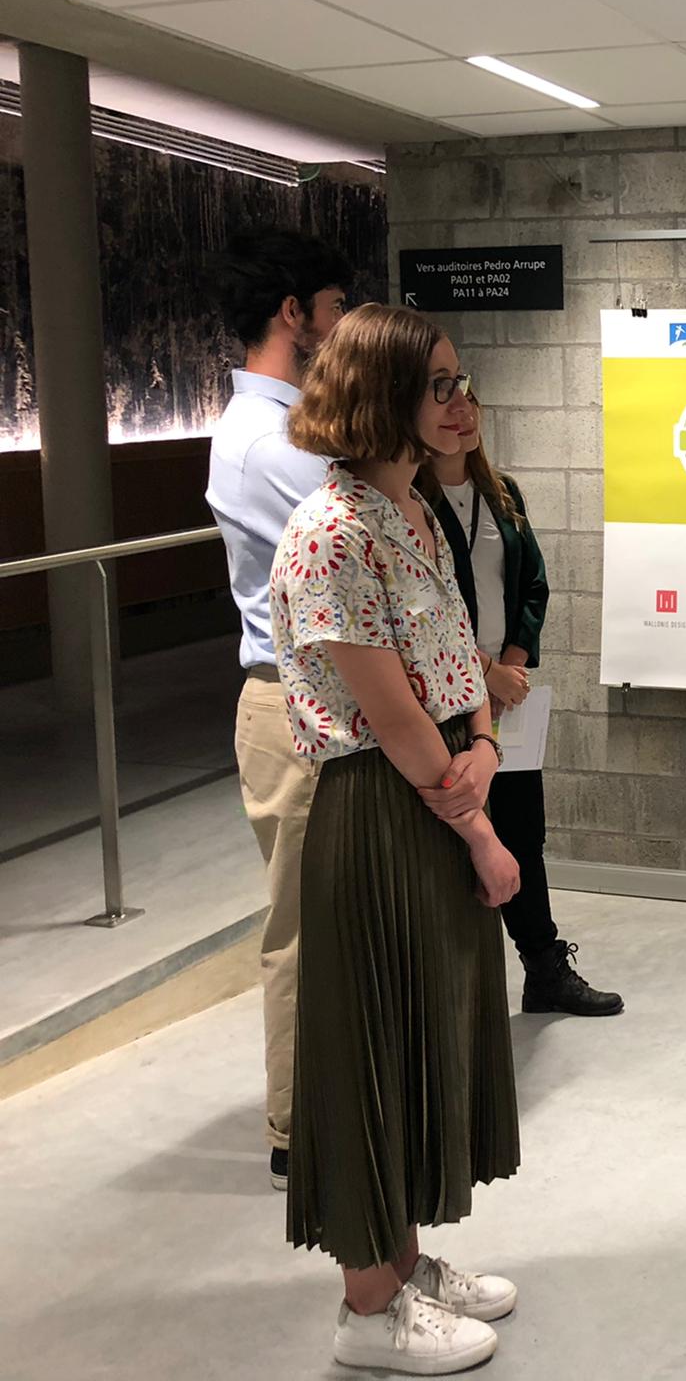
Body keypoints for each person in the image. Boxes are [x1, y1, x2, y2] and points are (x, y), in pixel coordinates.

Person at [272, 304, 522, 1374]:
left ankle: (405, 1265)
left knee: (422, 1035)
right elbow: (387, 710)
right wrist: (478, 828)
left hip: (435, 790)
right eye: (440, 387)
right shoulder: (333, 530)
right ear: (382, 399)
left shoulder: (411, 509)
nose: (463, 404)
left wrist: (487, 745)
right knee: (373, 1046)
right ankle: (368, 1309)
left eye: (462, 383)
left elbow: (459, 666)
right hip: (384, 810)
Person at [204, 228, 351, 1190]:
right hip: (297, 705)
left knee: (337, 918)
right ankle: (298, 1131)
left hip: (320, 699)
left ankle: (333, 1107)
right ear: (294, 314)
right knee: (303, 928)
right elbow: (367, 543)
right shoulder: (271, 444)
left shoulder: (290, 428)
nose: (344, 328)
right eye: (335, 309)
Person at [419, 390, 621, 1016]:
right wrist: (483, 674)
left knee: (523, 832)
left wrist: (509, 666)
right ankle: (454, 991)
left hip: (505, 697)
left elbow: (533, 585)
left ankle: (544, 970)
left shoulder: (501, 492)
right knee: (451, 839)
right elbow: (427, 613)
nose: (463, 414)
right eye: (447, 402)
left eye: (470, 402)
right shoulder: (411, 499)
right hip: (439, 699)